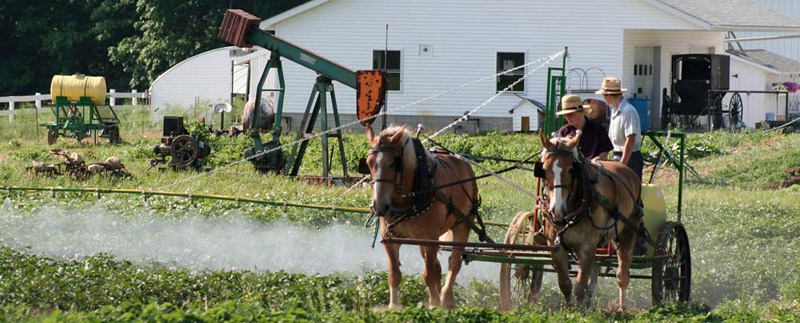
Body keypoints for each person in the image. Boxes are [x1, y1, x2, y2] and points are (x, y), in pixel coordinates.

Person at [596, 77, 643, 179]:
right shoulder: (614, 110)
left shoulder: (628, 111)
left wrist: (622, 164)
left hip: (630, 157)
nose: (603, 98)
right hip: (616, 155)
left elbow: (630, 139)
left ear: (609, 95)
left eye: (604, 95)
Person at [556, 94, 613, 161]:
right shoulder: (564, 131)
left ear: (581, 112)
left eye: (570, 114)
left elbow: (603, 156)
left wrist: (591, 164)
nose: (567, 118)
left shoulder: (598, 129)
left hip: (594, 168)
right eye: (565, 115)